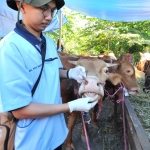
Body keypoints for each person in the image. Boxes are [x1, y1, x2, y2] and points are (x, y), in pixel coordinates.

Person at [0, 0, 98, 150]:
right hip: (29, 140)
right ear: (21, 5)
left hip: (56, 133)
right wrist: (71, 106)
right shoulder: (11, 47)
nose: (49, 17)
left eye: (52, 10)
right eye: (43, 8)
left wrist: (70, 73)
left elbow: (51, 71)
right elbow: (20, 110)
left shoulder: (49, 42)